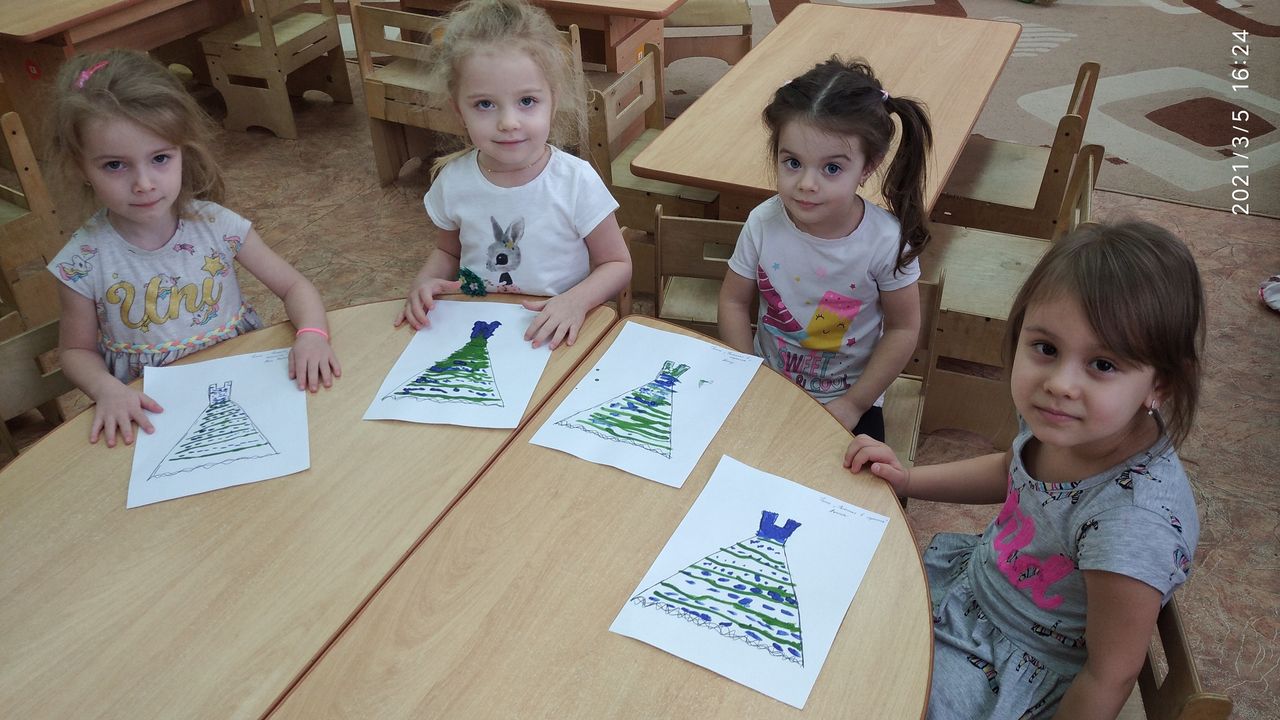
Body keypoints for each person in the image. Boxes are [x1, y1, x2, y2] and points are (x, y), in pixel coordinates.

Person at [845, 222, 1206, 719]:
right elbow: (1012, 471)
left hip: (1013, 668)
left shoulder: (1132, 524)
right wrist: (909, 478)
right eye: (1046, 348)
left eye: (1103, 365)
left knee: (863, 694)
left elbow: (1110, 674)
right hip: (972, 589)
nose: (1059, 384)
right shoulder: (1066, 425)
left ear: (1159, 385)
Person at [46, 49, 340, 448]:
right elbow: (75, 351)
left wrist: (312, 335)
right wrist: (105, 389)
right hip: (151, 411)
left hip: (245, 384)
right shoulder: (82, 263)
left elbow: (295, 287)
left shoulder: (217, 225)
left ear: (184, 150)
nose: (144, 183)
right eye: (115, 165)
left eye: (160, 158)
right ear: (80, 166)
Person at [718, 57, 933, 440]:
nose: (806, 184)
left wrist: (855, 403)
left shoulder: (884, 241)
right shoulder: (762, 222)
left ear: (868, 167)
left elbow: (903, 329)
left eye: (831, 168)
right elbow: (733, 302)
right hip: (766, 388)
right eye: (793, 162)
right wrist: (747, 374)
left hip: (850, 400)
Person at [396, 0, 631, 349]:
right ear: (459, 111)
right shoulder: (453, 180)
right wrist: (424, 284)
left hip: (557, 335)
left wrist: (576, 301)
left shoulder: (575, 181)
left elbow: (616, 263)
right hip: (480, 329)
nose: (508, 122)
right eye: (485, 104)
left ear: (553, 100)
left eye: (527, 101)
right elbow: (448, 253)